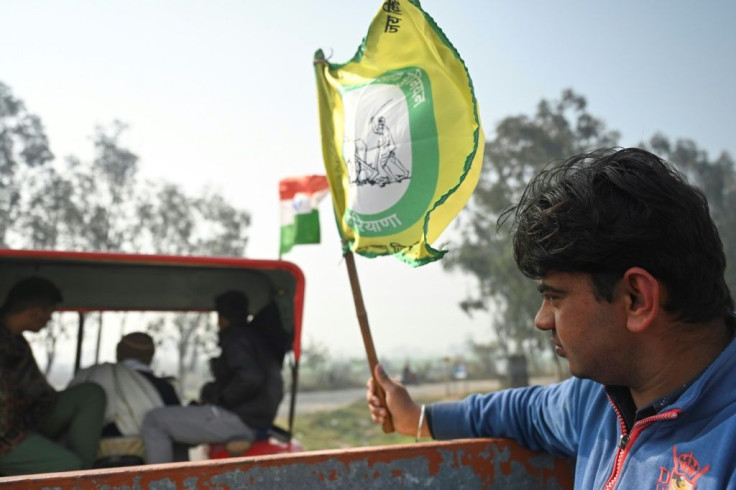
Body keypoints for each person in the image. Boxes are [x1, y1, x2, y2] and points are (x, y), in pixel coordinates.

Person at [366, 148, 736, 488]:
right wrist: (416, 417)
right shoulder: (595, 401)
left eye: (554, 297)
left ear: (636, 298)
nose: (541, 321)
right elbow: (521, 412)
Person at [141, 290, 284, 463]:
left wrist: (221, 400)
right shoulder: (255, 338)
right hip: (254, 419)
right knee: (177, 425)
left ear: (222, 318)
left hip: (241, 420)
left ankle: (158, 483)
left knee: (154, 420)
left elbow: (250, 378)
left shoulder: (237, 338)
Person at [0, 277, 106, 476]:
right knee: (67, 465)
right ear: (35, 311)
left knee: (90, 394)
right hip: (5, 438)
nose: (49, 319)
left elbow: (37, 390)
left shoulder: (17, 343)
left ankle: (82, 476)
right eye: (49, 312)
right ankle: (74, 473)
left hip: (27, 419)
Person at [68, 331, 180, 438]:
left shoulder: (90, 378)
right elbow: (177, 427)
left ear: (118, 352)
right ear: (151, 356)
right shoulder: (165, 389)